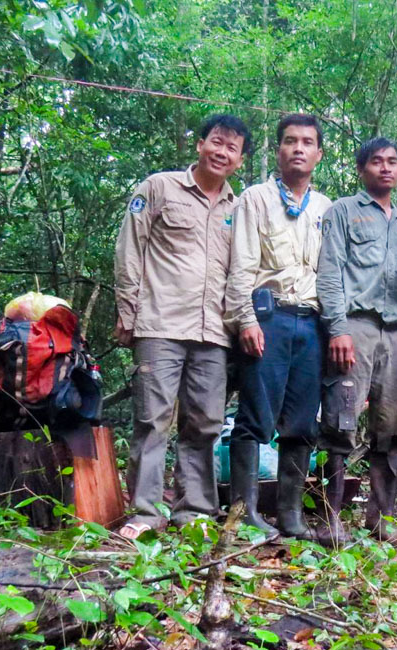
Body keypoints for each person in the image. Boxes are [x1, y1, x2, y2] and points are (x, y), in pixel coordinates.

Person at [113, 114, 251, 539]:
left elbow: (241, 271)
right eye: (216, 142)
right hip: (159, 324)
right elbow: (129, 250)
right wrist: (126, 311)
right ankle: (145, 513)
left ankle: (193, 511)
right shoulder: (158, 188)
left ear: (240, 160)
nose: (222, 152)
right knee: (153, 420)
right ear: (200, 144)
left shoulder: (238, 207)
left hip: (214, 333)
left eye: (232, 147)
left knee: (205, 423)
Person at [224, 114, 332, 540]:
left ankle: (291, 515)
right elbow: (241, 265)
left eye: (308, 142)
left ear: (319, 154)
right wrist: (245, 319)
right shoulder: (255, 198)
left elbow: (332, 273)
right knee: (255, 418)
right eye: (290, 141)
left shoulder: (326, 208)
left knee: (302, 421)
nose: (299, 149)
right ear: (279, 150)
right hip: (268, 317)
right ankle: (244, 512)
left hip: (312, 323)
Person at [315, 137, 397, 545]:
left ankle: (382, 517)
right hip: (355, 327)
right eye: (376, 161)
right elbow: (329, 272)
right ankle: (331, 517)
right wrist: (337, 328)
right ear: (362, 169)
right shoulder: (343, 211)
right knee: (340, 421)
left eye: (392, 162)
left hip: (396, 334)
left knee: (393, 428)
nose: (385, 168)